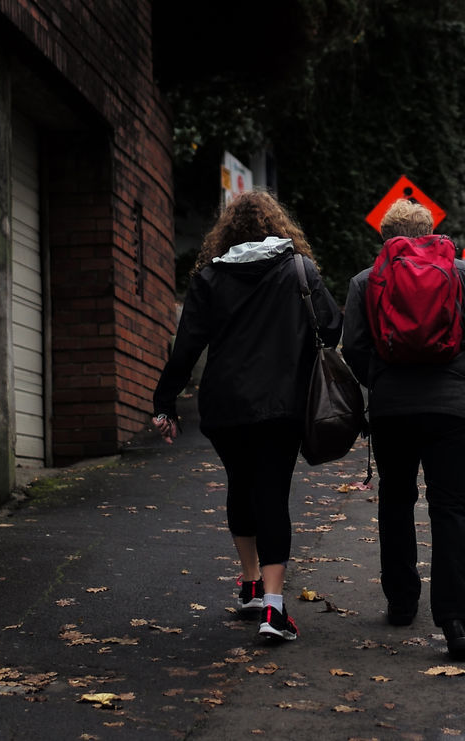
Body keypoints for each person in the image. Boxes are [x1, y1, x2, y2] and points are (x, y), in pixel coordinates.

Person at [151, 190, 342, 643]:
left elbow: (187, 348)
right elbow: (332, 327)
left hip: (225, 406)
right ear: (280, 226)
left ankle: (251, 584)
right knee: (272, 493)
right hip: (281, 405)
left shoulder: (210, 278)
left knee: (241, 484)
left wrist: (165, 402)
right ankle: (274, 612)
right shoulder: (299, 269)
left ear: (227, 233)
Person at [341, 199, 465, 660]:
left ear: (386, 237)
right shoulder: (463, 274)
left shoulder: (365, 281)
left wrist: (379, 382)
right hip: (454, 411)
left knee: (396, 499)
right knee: (450, 509)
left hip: (393, 410)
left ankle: (401, 599)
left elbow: (352, 346)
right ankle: (456, 620)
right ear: (430, 230)